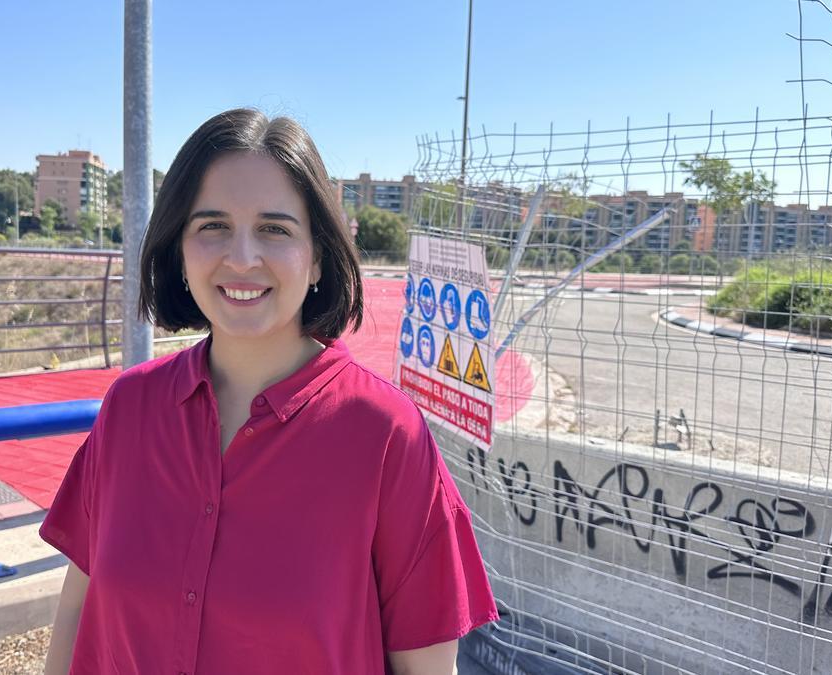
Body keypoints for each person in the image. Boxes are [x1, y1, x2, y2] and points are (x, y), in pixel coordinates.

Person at [41, 108, 498, 675]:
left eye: (275, 229)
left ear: (317, 260)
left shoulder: (384, 435)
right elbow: (78, 607)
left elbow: (426, 667)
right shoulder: (130, 407)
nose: (242, 257)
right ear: (179, 251)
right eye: (211, 225)